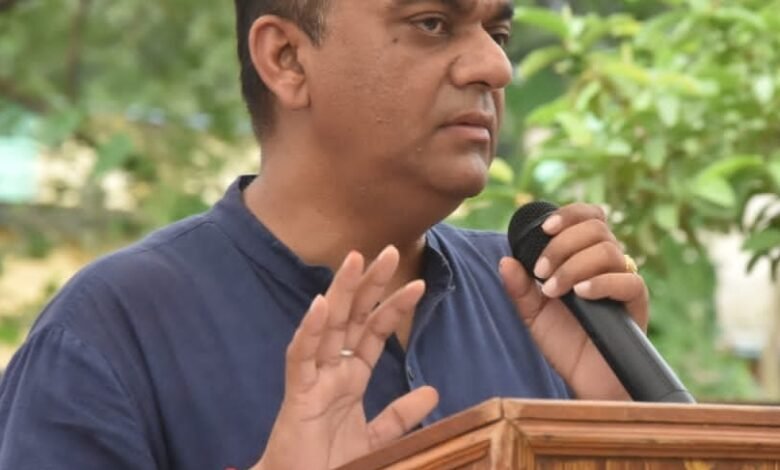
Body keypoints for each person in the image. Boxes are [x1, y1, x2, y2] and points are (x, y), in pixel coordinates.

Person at [0, 0, 649, 468]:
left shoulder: (539, 299)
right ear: (286, 59)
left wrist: (628, 429)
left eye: (498, 32)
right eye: (432, 23)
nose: (495, 66)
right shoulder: (111, 333)